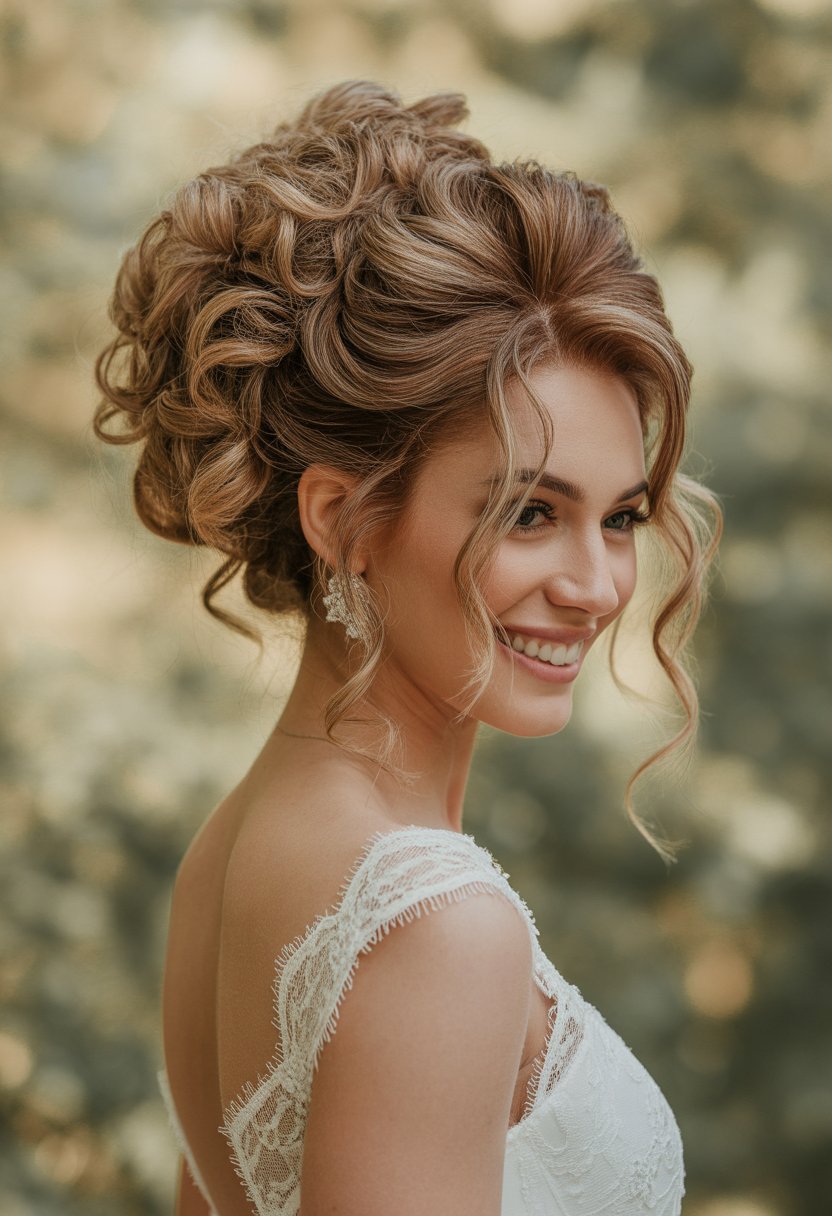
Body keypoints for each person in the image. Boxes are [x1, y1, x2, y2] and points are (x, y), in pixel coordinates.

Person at [93, 80, 721, 1216]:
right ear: (342, 519)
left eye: (620, 516)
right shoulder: (434, 926)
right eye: (529, 512)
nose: (597, 586)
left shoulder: (233, 851)